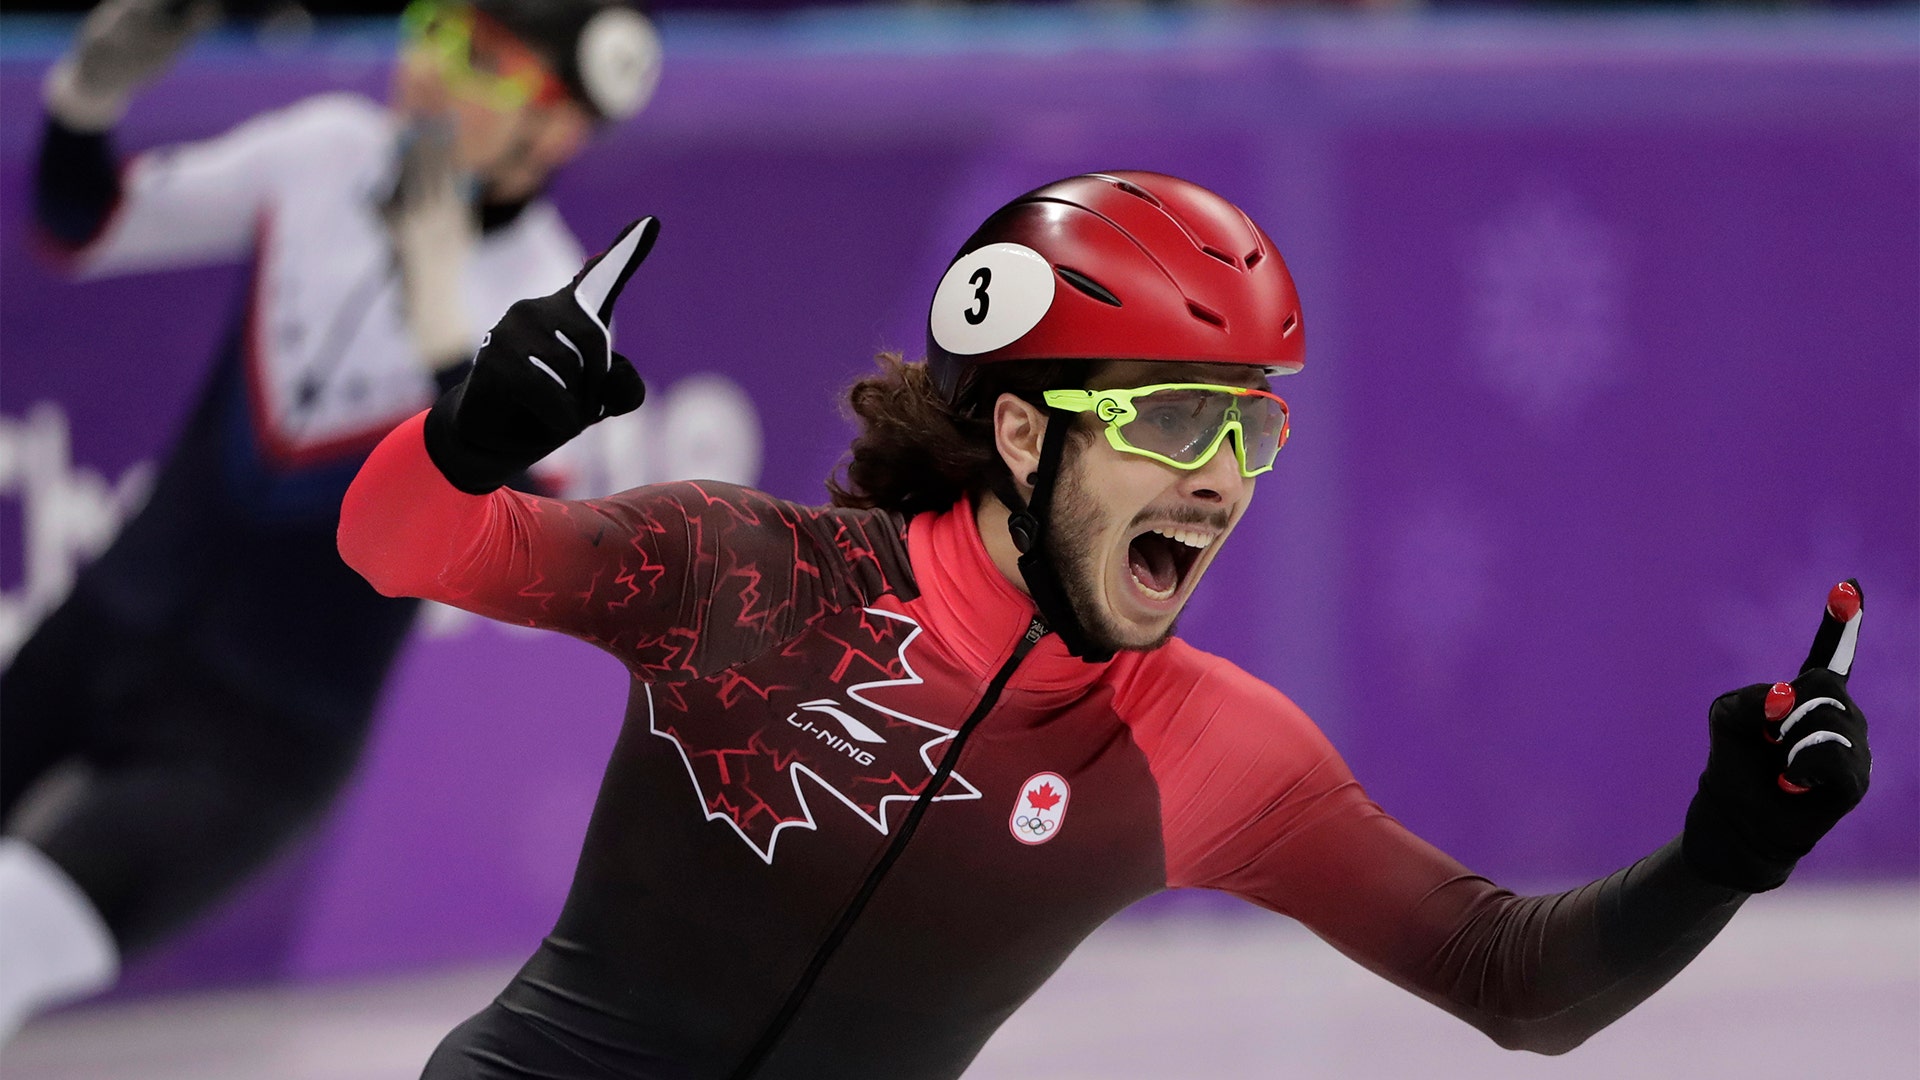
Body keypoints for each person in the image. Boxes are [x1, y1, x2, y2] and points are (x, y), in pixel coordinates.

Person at [336, 172, 1874, 1079]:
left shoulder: (1209, 746)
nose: (1218, 484)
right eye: (1175, 423)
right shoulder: (742, 573)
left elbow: (1515, 983)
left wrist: (1733, 849)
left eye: (1247, 435)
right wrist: (471, 436)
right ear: (1022, 434)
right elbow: (398, 543)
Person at [0, 0, 663, 1043]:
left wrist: (448, 322)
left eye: (483, 60)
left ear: (558, 130)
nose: (435, 71)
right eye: (435, 29)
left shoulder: (551, 302)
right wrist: (89, 98)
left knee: (6, 937)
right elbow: (81, 230)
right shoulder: (325, 152)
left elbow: (523, 558)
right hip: (105, 627)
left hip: (258, 735)